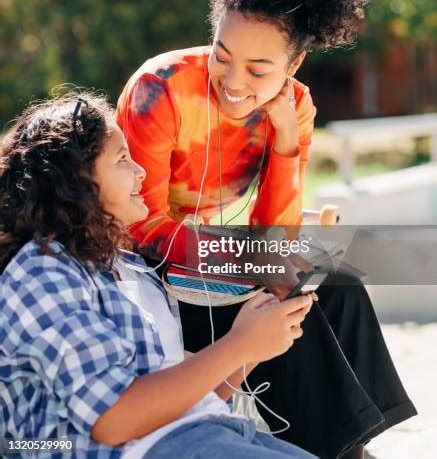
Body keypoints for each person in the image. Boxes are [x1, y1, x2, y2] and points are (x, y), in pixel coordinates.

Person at [116, 0, 417, 458]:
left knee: (339, 283)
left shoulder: (295, 107)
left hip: (216, 265)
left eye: (259, 70)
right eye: (223, 56)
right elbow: (141, 230)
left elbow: (274, 230)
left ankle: (350, 442)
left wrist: (283, 141)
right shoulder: (159, 89)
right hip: (152, 280)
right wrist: (252, 259)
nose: (234, 81)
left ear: (294, 66)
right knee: (285, 291)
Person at [0, 92, 318, 459]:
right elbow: (114, 419)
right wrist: (239, 345)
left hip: (207, 433)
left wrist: (252, 348)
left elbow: (175, 403)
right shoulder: (43, 272)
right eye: (122, 160)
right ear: (74, 184)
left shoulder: (130, 268)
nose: (141, 172)